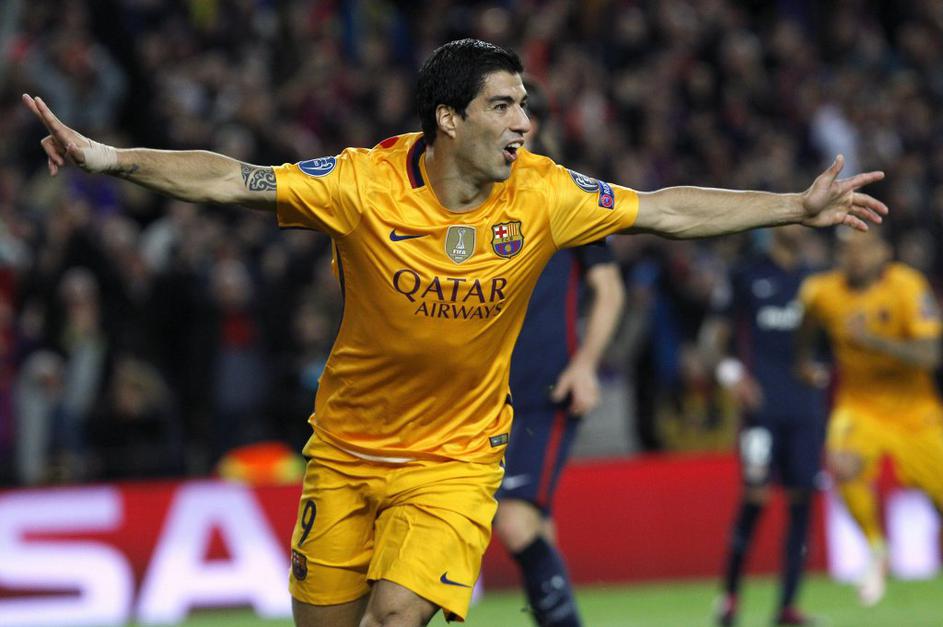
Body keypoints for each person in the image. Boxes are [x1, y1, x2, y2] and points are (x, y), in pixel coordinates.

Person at [24, 38, 886, 627]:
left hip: (456, 459)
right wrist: (111, 158)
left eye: (524, 106)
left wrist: (793, 206)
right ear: (448, 119)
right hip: (346, 449)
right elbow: (230, 179)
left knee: (397, 614)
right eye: (502, 106)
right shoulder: (359, 185)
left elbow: (664, 209)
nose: (523, 123)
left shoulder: (544, 192)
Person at [492, 78, 625, 627]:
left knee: (515, 521)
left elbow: (609, 289)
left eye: (517, 114)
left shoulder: (567, 195)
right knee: (535, 528)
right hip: (485, 394)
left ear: (536, 124)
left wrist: (586, 364)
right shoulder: (479, 194)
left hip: (546, 389)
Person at [796, 227, 943, 607]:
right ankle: (877, 549)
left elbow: (931, 356)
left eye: (864, 248)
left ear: (884, 252)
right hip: (859, 406)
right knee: (843, 463)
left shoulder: (908, 286)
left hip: (915, 411)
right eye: (847, 250)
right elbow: (805, 326)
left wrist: (872, 341)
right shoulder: (821, 291)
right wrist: (804, 362)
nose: (855, 257)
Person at [700, 226, 827, 626]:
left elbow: (830, 342)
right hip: (761, 409)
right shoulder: (746, 274)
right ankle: (730, 597)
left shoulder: (818, 279)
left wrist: (822, 369)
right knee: (756, 497)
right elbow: (713, 337)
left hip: (805, 410)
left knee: (802, 501)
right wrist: (733, 376)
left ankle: (787, 606)